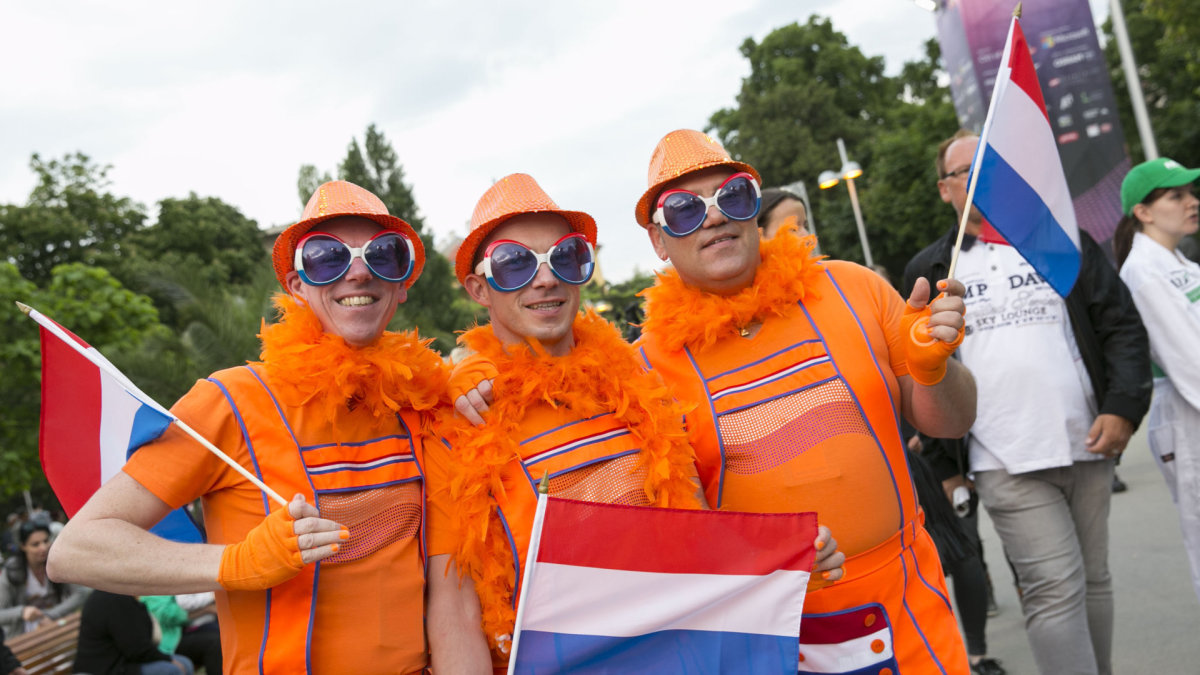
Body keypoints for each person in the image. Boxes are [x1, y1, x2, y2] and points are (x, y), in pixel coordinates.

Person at [428, 173, 845, 672]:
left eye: (565, 256)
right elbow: (455, 605)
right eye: (514, 265)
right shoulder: (456, 423)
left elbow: (696, 539)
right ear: (479, 287)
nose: (546, 279)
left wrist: (784, 570)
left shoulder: (637, 385)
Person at [47, 181, 450, 674]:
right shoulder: (231, 400)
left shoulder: (425, 403)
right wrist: (235, 563)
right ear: (296, 283)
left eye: (384, 254)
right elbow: (75, 550)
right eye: (327, 257)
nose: (359, 272)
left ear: (404, 280)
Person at [631, 129, 975, 673]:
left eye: (733, 197)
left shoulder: (850, 287)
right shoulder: (643, 370)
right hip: (770, 637)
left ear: (753, 208)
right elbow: (667, 541)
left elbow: (951, 424)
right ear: (658, 240)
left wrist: (934, 369)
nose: (715, 218)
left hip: (907, 604)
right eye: (683, 210)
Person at [905, 130, 1151, 675]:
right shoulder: (933, 269)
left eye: (993, 164)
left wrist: (1123, 406)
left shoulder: (1061, 241)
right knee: (1053, 590)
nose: (982, 178)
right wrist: (947, 465)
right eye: (966, 170)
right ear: (947, 189)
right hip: (1003, 458)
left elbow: (1120, 326)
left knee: (1095, 579)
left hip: (1087, 440)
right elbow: (920, 373)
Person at [1114, 156, 1200, 602]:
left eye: (1190, 192)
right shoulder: (1144, 272)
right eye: (1176, 195)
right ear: (1143, 212)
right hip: (1188, 420)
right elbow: (1190, 361)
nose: (1191, 202)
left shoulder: (1177, 262)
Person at [73, 590, 194, 675]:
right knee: (172, 670)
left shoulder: (121, 594)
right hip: (105, 669)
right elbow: (136, 648)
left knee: (184, 663)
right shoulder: (113, 598)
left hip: (122, 662)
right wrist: (167, 659)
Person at [1, 521, 87, 638]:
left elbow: (81, 593)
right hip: (24, 638)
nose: (43, 547)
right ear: (23, 546)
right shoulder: (12, 570)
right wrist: (22, 612)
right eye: (35, 544)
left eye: (46, 541)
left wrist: (49, 614)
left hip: (57, 626)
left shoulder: (57, 563)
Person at [141, 594, 221, 675]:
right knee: (215, 643)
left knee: (221, 635)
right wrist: (206, 608)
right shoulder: (153, 591)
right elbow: (167, 616)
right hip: (168, 640)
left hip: (185, 631)